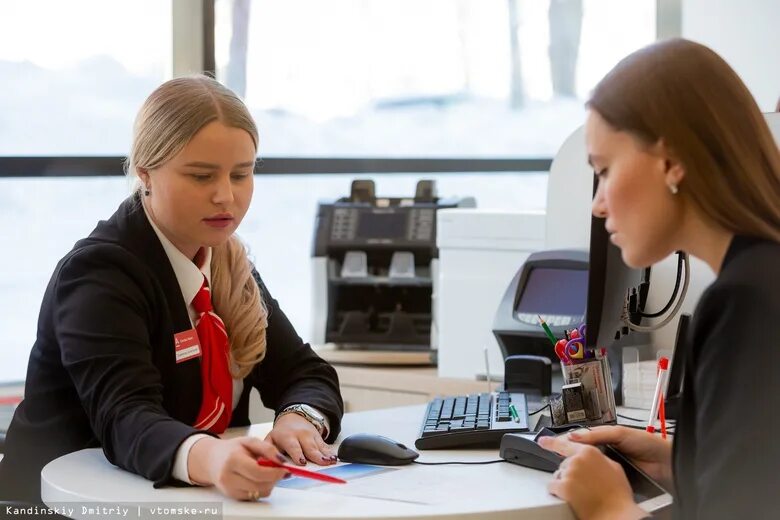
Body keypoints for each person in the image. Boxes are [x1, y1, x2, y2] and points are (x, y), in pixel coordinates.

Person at [0, 76, 344, 504]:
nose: (226, 196)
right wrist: (213, 459)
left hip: (186, 504)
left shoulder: (227, 261)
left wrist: (300, 419)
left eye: (242, 174)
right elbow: (126, 417)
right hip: (63, 507)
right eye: (201, 176)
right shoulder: (98, 273)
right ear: (145, 172)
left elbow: (304, 372)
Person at [538, 39, 780, 519]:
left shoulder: (746, 303)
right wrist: (679, 460)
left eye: (604, 171)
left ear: (671, 161)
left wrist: (610, 507)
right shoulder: (763, 277)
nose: (597, 203)